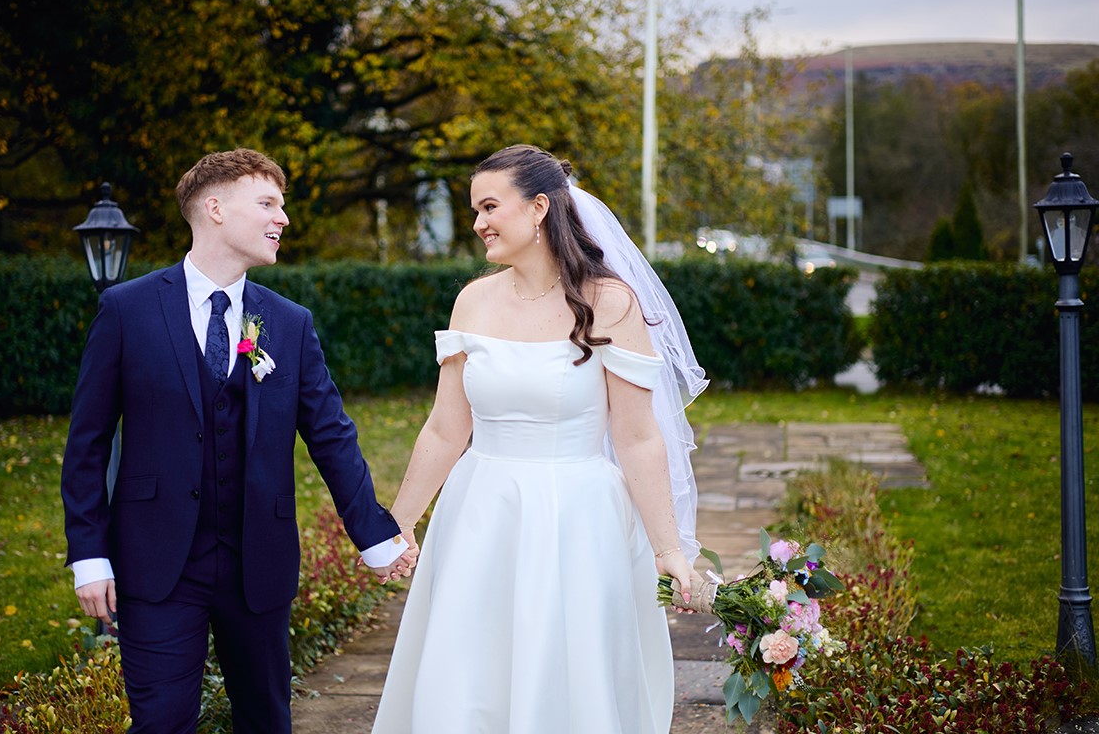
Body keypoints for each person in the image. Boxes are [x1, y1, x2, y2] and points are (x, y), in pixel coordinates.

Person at [61, 148, 417, 734]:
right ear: (215, 207)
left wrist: (374, 535)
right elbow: (87, 444)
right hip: (155, 564)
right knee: (162, 723)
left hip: (260, 562)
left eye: (283, 206)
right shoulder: (127, 310)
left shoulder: (290, 322)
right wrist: (89, 554)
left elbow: (331, 435)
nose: (283, 219)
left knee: (266, 720)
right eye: (268, 203)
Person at [371, 144, 709, 733]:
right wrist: (397, 523)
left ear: (539, 209)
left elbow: (637, 439)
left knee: (566, 673)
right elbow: (447, 427)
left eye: (490, 206)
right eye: (475, 209)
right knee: (470, 669)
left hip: (577, 518)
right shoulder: (472, 301)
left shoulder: (610, 304)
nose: (478, 223)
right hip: (481, 511)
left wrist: (669, 548)